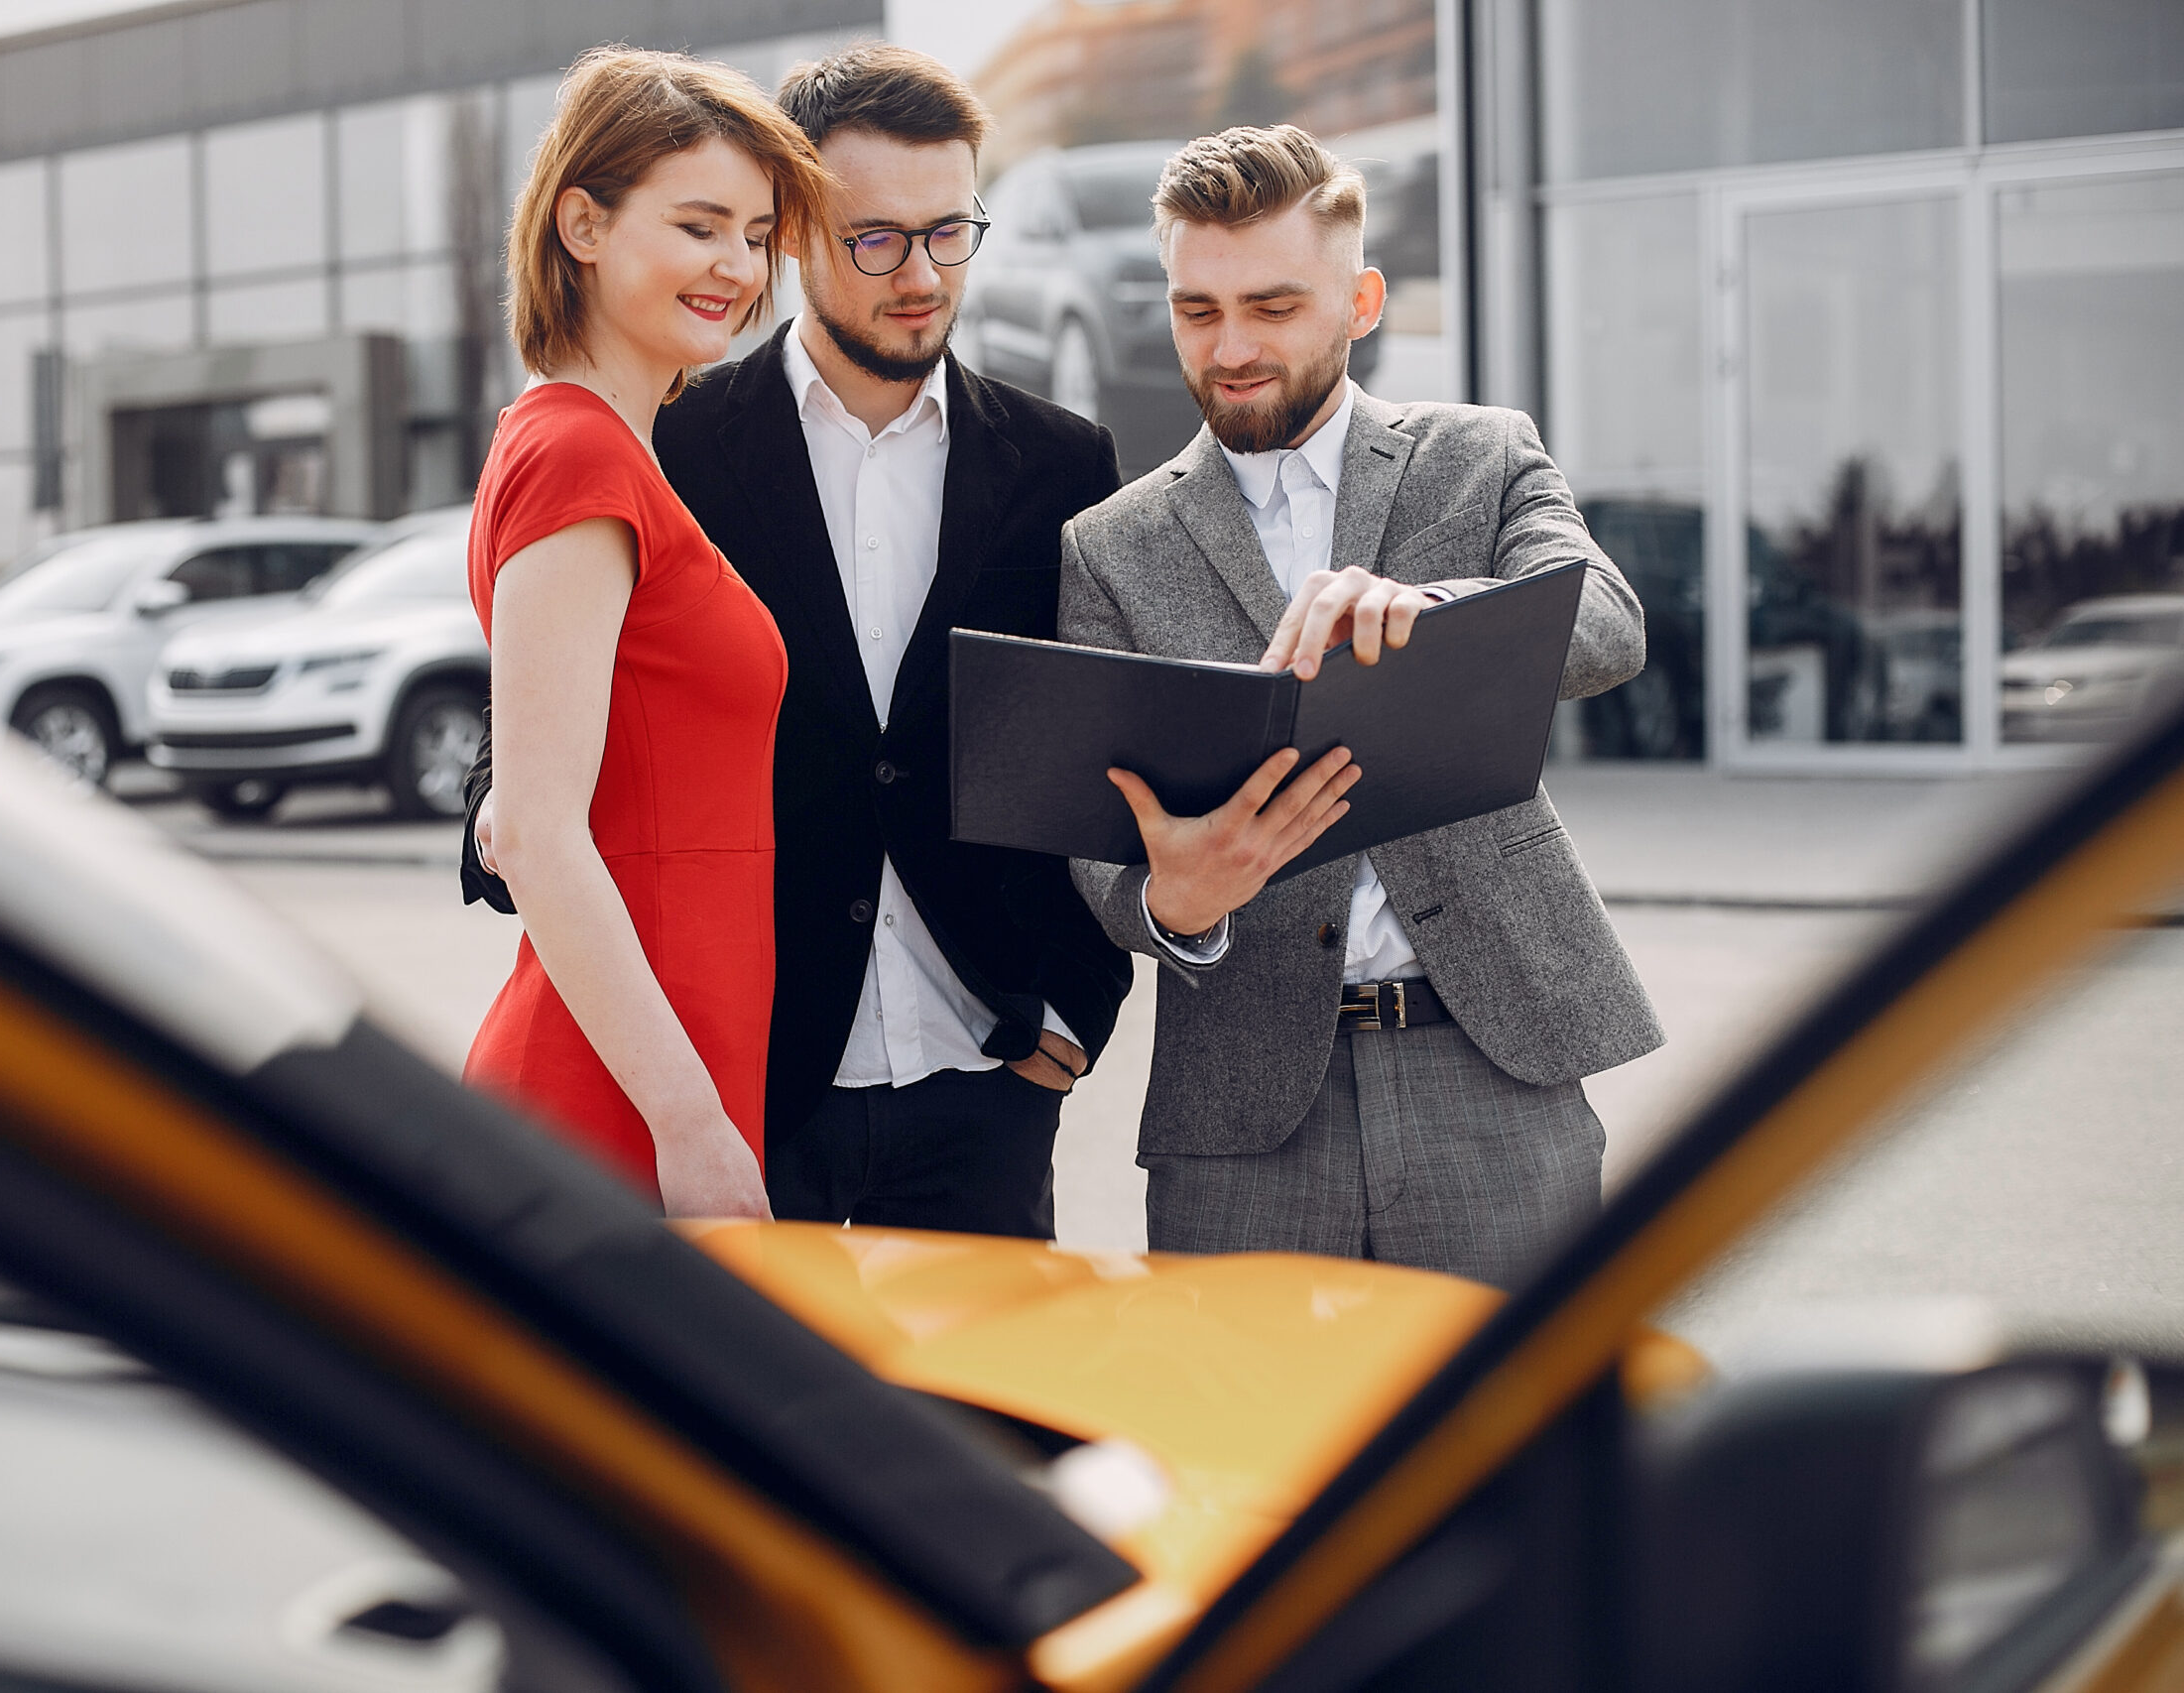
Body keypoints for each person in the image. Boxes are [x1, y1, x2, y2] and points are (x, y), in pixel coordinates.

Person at [468, 45, 1133, 1239]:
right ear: (803, 236)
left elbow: (1091, 753)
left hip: (984, 1075)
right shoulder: (663, 440)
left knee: (981, 1431)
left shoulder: (1063, 462)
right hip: (747, 1081)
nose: (921, 273)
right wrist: (526, 831)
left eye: (950, 232)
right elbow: (521, 776)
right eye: (875, 237)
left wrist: (1077, 1010)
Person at [1058, 125, 1664, 1284]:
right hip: (1239, 1105)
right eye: (1197, 310)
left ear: (1362, 299)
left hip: (1489, 1060)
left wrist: (1427, 608)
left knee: (1522, 1445)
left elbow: (1605, 625)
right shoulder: (1109, 546)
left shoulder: (1477, 458)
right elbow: (1098, 856)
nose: (1229, 347)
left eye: (1274, 307)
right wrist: (1169, 904)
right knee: (1246, 1451)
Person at [461, 47, 831, 1218]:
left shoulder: (611, 453)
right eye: (700, 225)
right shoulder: (577, 451)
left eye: (757, 234)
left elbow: (538, 788)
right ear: (582, 221)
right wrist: (690, 1126)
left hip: (669, 1068)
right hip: (617, 1100)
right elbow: (530, 830)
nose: (738, 265)